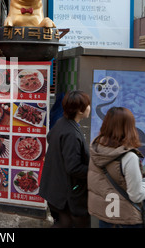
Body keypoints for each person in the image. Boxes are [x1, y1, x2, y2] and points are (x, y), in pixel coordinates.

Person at [87, 107, 145, 228]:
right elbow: (136, 195)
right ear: (129, 128)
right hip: (126, 219)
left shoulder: (96, 148)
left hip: (105, 216)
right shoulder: (129, 157)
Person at [39, 90, 91, 228]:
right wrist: (95, 170)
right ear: (80, 110)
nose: (89, 108)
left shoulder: (62, 123)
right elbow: (73, 167)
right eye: (87, 105)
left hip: (53, 189)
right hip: (64, 194)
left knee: (62, 223)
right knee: (67, 224)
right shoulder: (72, 134)